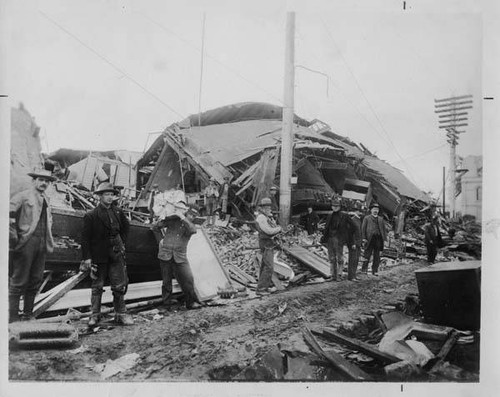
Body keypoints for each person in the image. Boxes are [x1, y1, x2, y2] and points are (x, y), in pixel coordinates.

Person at [81, 182, 134, 326]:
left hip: (116, 253)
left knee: (119, 285)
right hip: (99, 256)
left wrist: (121, 243)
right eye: (106, 195)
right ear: (99, 196)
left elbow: (126, 228)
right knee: (97, 286)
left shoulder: (118, 212)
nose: (110, 198)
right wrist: (87, 258)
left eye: (112, 195)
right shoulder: (91, 215)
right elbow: (85, 238)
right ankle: (95, 315)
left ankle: (121, 314)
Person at [9, 169, 56, 322]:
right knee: (18, 281)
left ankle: (27, 315)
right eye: (41, 180)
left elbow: (48, 222)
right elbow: (8, 215)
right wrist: (14, 237)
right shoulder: (22, 197)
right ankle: (13, 318)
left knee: (35, 280)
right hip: (26, 243)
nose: (44, 183)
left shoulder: (46, 200)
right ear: (33, 180)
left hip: (42, 245)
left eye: (47, 181)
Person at [151, 205, 203, 310]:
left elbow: (193, 230)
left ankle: (190, 303)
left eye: (193, 216)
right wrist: (160, 241)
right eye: (190, 215)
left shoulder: (190, 226)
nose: (191, 217)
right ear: (187, 212)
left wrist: (183, 218)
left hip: (180, 256)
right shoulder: (173, 220)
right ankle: (167, 305)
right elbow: (155, 227)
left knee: (188, 279)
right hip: (166, 254)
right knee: (166, 281)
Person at [320, 196, 355, 281]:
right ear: (331, 207)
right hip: (330, 239)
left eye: (336, 206)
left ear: (339, 207)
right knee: (331, 258)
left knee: (339, 258)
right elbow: (326, 228)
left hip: (339, 239)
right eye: (333, 206)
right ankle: (333, 276)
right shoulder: (330, 216)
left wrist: (347, 236)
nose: (335, 207)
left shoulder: (344, 216)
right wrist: (324, 238)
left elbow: (353, 227)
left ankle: (339, 275)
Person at [255, 197, 282, 295]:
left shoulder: (266, 217)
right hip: (266, 244)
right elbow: (268, 231)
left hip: (268, 243)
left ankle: (263, 287)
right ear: (262, 208)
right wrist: (278, 229)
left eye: (269, 207)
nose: (269, 209)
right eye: (267, 207)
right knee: (269, 267)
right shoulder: (261, 218)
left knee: (265, 265)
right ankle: (261, 289)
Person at [360, 202, 387, 276]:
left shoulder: (381, 219)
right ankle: (364, 270)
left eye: (377, 209)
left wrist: (384, 239)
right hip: (369, 239)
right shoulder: (367, 218)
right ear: (371, 210)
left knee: (377, 256)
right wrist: (364, 238)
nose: (376, 211)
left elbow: (384, 230)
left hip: (378, 239)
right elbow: (363, 229)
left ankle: (374, 270)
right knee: (367, 255)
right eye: (374, 209)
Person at [347, 203, 363, 281]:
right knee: (352, 259)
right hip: (353, 244)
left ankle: (354, 275)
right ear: (356, 212)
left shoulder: (358, 220)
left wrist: (361, 241)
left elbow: (359, 232)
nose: (361, 213)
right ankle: (351, 276)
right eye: (360, 211)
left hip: (358, 243)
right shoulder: (352, 220)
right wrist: (352, 243)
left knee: (356, 259)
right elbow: (351, 233)